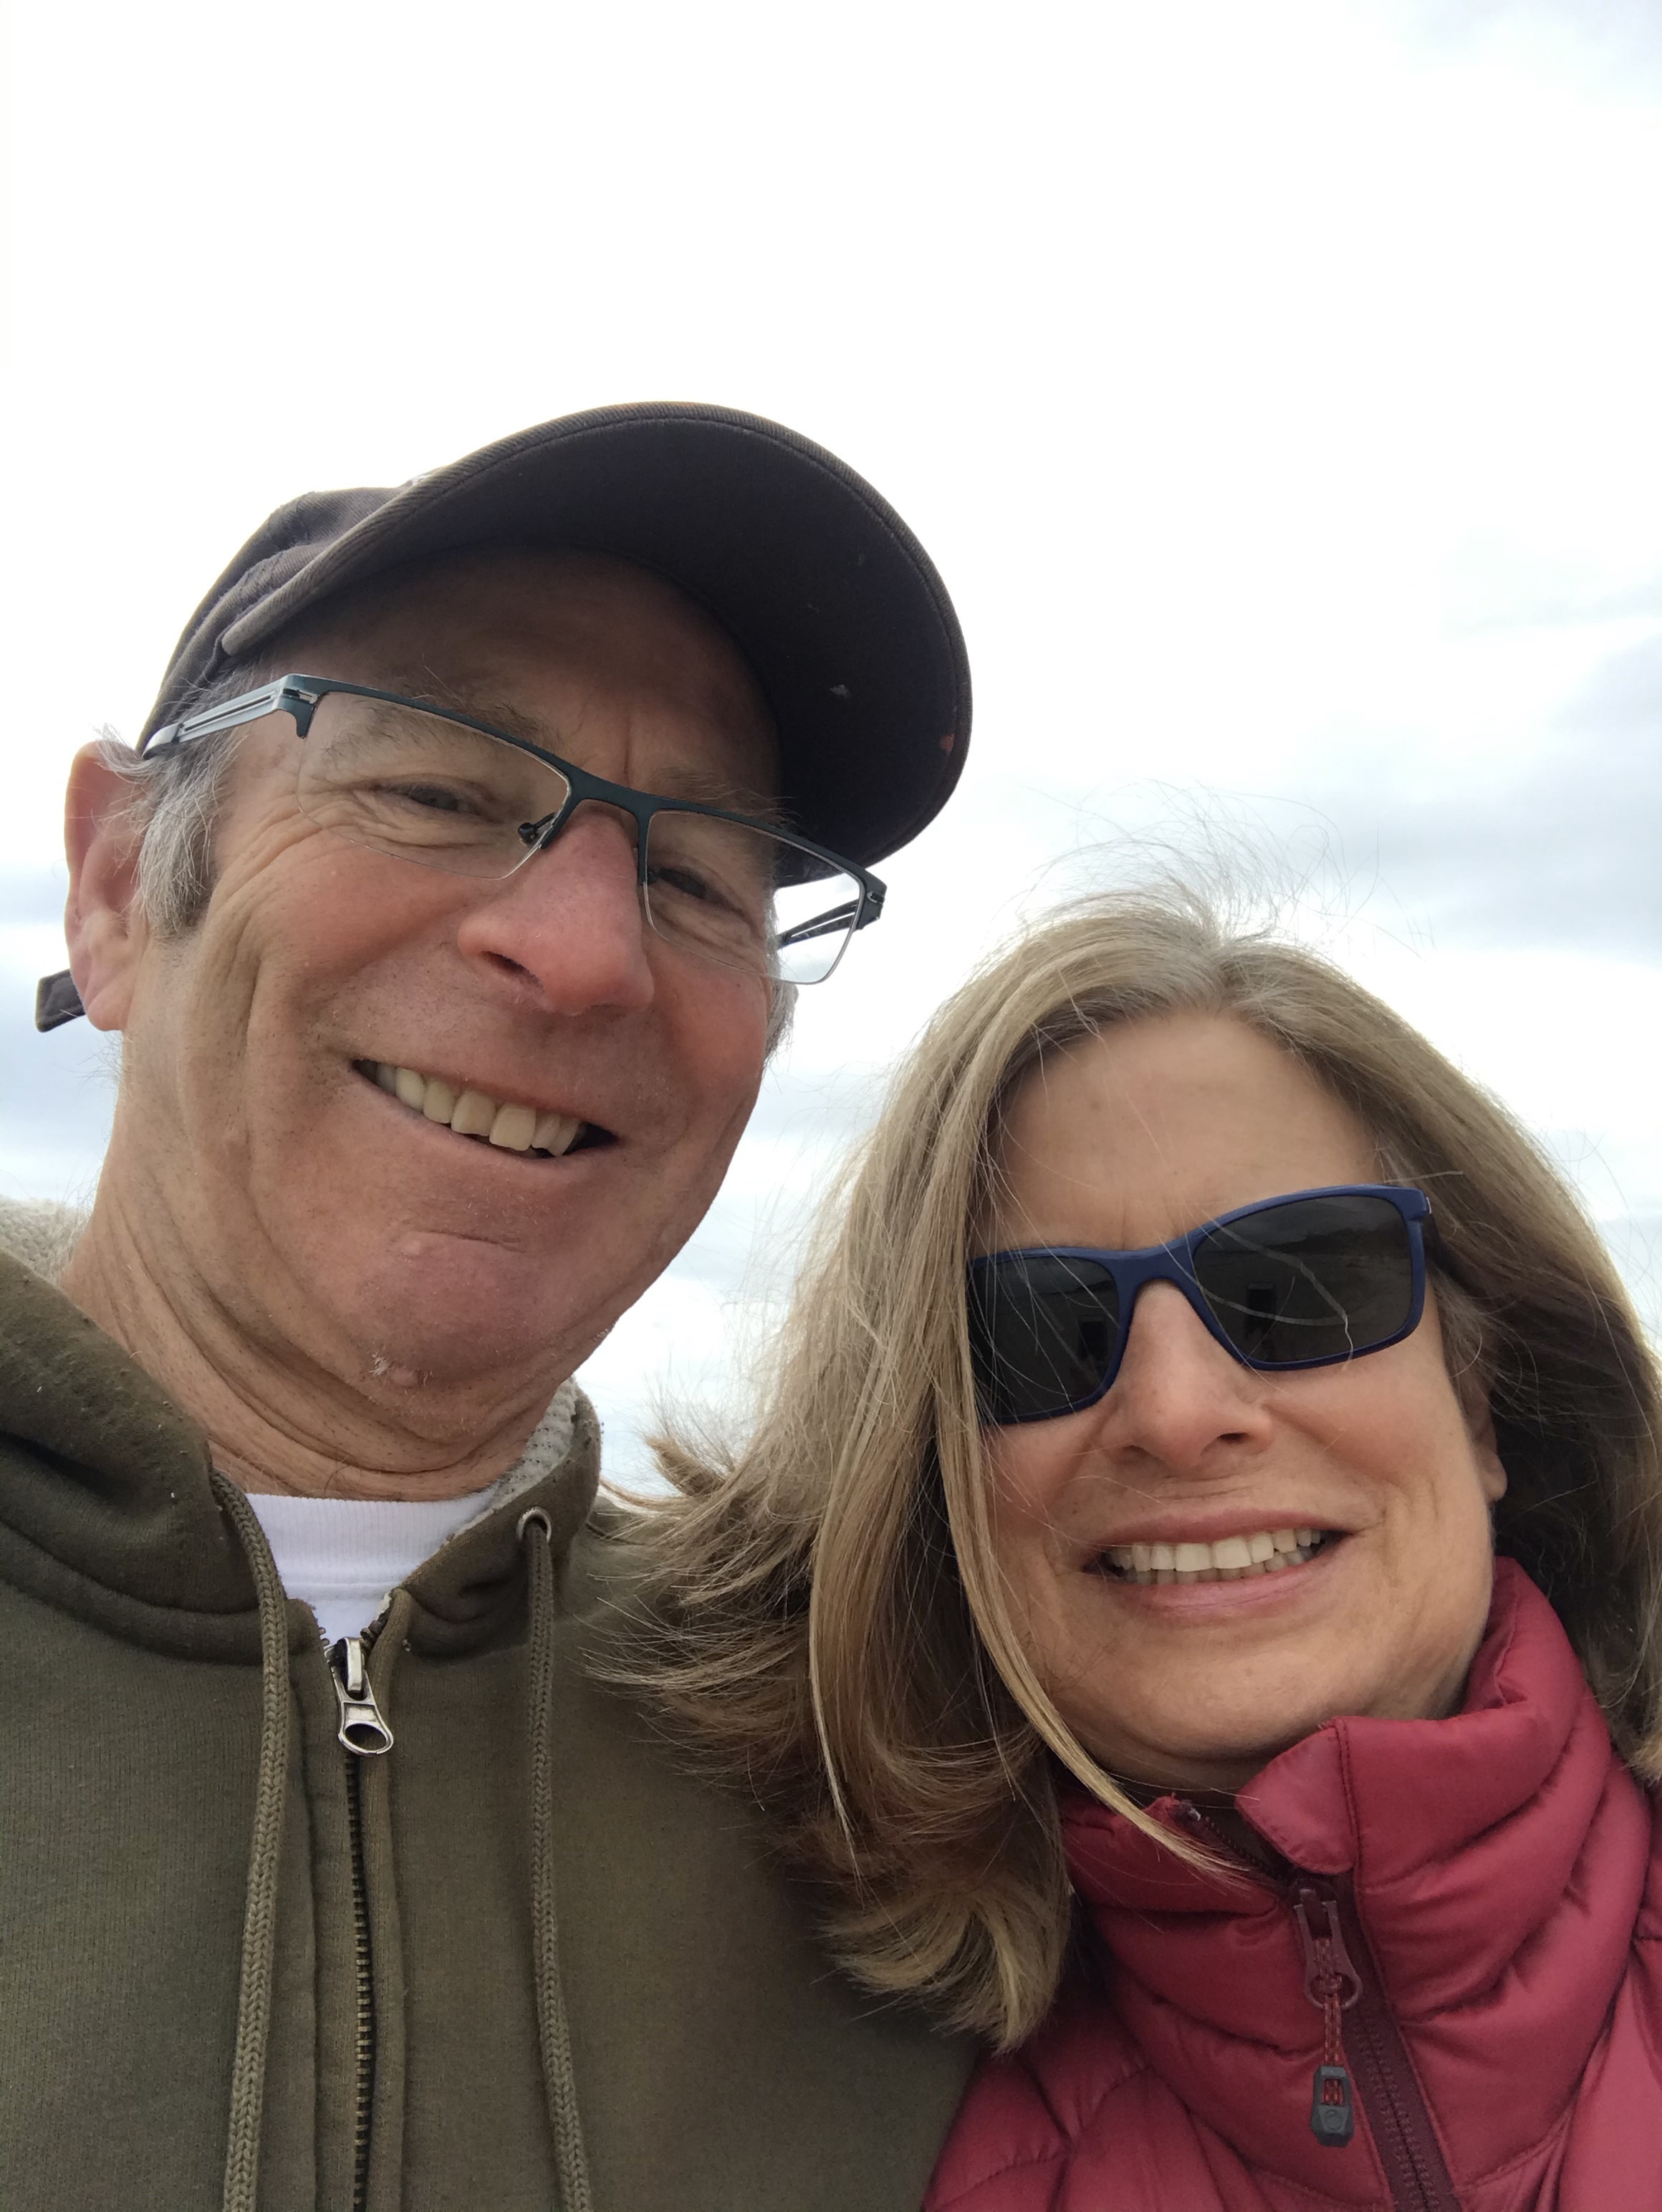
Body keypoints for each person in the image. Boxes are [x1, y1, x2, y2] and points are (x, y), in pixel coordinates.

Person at [0, 401, 979, 2212]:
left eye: (699, 877)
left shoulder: (881, 1777)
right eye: (440, 790)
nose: (587, 946)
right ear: (124, 882)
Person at [607, 888, 1662, 2211]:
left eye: (1300, 1287)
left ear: (1486, 1395)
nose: (1176, 1413)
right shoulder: (835, 2107)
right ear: (928, 1485)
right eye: (1034, 1336)